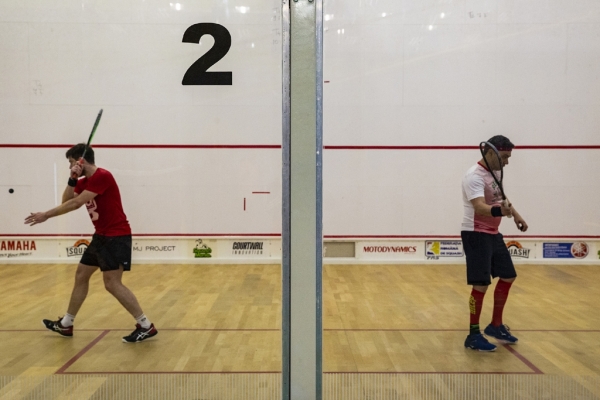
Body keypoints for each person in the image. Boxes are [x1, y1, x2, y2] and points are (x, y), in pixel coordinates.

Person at [24, 144, 157, 343]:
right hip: (101, 236)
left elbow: (76, 204)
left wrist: (46, 215)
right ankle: (66, 324)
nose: (70, 166)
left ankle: (146, 326)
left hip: (115, 236)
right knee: (81, 275)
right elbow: (66, 200)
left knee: (112, 284)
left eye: (71, 162)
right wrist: (72, 179)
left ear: (81, 160)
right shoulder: (83, 181)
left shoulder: (103, 176)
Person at [461, 135, 528, 351]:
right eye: (505, 157)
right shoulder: (474, 176)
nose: (507, 162)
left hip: (493, 233)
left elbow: (501, 197)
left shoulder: (495, 172)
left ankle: (495, 325)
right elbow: (479, 206)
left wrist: (516, 215)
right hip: (475, 234)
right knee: (480, 285)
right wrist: (501, 211)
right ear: (491, 153)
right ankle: (473, 335)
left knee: (508, 276)